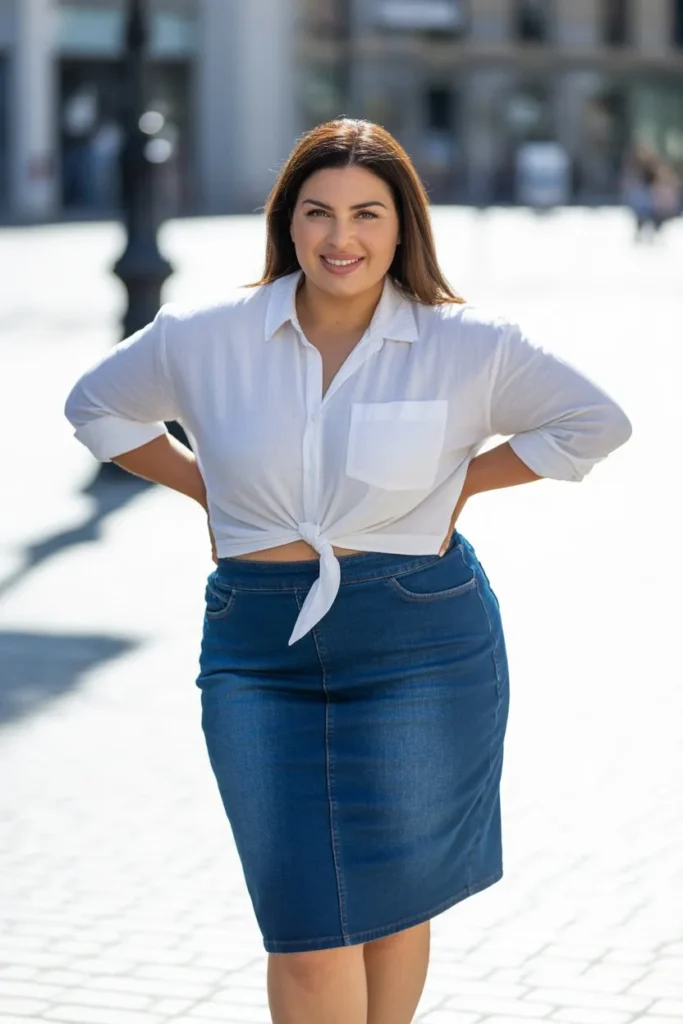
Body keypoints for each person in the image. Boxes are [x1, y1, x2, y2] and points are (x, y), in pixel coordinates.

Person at [64, 118, 632, 1024]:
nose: (341, 238)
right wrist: (204, 489)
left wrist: (463, 485)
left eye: (367, 213)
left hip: (421, 641)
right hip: (258, 648)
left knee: (390, 899)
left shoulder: (466, 345)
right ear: (285, 224)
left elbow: (593, 423)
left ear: (403, 225)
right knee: (307, 927)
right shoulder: (205, 338)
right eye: (317, 212)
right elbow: (95, 406)